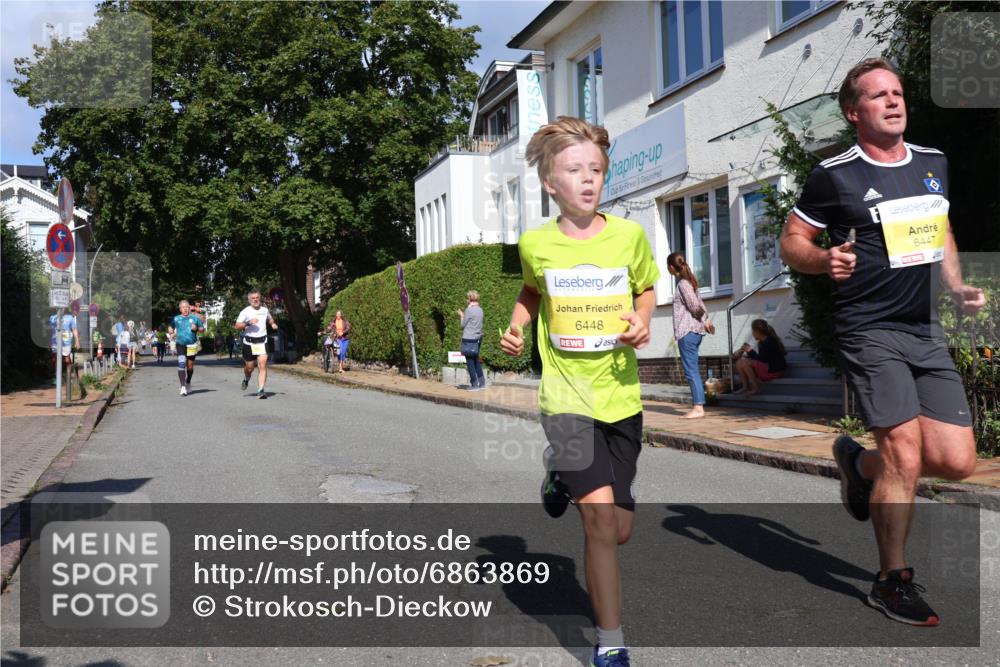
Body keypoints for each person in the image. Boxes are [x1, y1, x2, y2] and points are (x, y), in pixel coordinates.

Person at [779, 58, 985, 627]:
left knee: (957, 461)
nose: (893, 102)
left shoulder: (932, 162)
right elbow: (791, 239)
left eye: (897, 93)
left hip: (923, 328)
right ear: (854, 112)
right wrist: (824, 259)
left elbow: (940, 226)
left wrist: (956, 283)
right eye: (878, 96)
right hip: (868, 329)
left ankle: (858, 463)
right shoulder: (835, 174)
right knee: (906, 454)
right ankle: (892, 579)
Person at [500, 116, 659, 667]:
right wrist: (518, 325)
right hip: (566, 401)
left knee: (618, 530)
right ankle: (611, 642)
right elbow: (530, 290)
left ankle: (555, 472)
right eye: (574, 170)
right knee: (596, 520)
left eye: (596, 169)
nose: (588, 179)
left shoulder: (630, 236)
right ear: (550, 183)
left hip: (621, 399)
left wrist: (643, 322)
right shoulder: (535, 243)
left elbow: (646, 289)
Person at [666, 252, 715, 418]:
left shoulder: (683, 285)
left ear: (672, 268)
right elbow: (699, 304)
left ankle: (698, 407)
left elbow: (695, 306)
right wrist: (706, 321)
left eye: (668, 267)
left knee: (691, 370)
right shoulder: (691, 282)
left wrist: (704, 320)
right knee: (692, 369)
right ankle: (698, 405)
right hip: (695, 331)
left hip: (687, 332)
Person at [235, 290, 279, 398]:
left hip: (262, 341)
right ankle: (246, 378)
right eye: (253, 298)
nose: (255, 300)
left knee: (262, 365)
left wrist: (273, 324)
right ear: (249, 300)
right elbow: (237, 326)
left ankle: (261, 390)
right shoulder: (245, 311)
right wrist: (248, 322)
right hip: (249, 342)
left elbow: (270, 319)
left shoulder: (264, 310)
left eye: (257, 297)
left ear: (260, 298)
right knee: (249, 368)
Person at [731, 318, 786, 395]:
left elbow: (762, 360)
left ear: (757, 331)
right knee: (739, 362)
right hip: (768, 369)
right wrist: (745, 353)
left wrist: (750, 351)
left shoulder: (769, 341)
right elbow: (760, 359)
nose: (752, 333)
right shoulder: (762, 342)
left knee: (744, 362)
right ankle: (745, 387)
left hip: (775, 372)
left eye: (753, 331)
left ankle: (756, 388)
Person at [170, 300, 205, 396]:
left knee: (190, 366)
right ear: (180, 309)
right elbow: (170, 327)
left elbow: (202, 329)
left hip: (192, 344)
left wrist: (197, 328)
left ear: (189, 308)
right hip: (180, 343)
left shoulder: (195, 318)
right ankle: (182, 387)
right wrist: (171, 331)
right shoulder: (176, 318)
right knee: (181, 363)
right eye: (183, 307)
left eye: (187, 307)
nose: (185, 309)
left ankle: (188, 381)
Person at [50, 311, 85, 397]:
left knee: (67, 359)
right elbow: (51, 330)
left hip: (66, 342)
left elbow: (74, 330)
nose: (61, 310)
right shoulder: (52, 317)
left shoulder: (70, 318)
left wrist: (77, 341)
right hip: (55, 341)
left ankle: (70, 376)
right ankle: (56, 377)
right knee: (55, 359)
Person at [457, 290, 486, 390]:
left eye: (467, 298)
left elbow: (462, 325)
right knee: (476, 360)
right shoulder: (480, 310)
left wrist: (461, 315)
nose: (466, 300)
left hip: (469, 339)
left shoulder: (469, 310)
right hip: (478, 338)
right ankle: (482, 383)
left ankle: (474, 384)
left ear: (470, 299)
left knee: (470, 362)